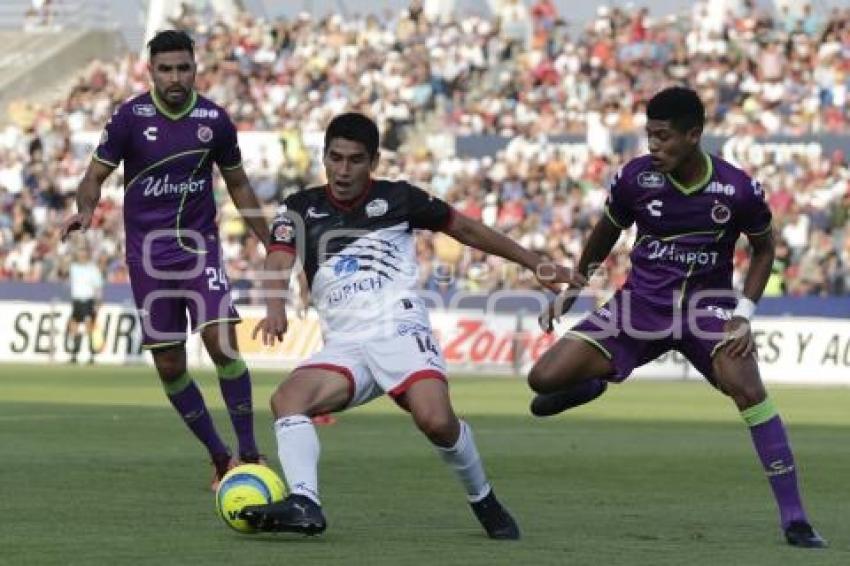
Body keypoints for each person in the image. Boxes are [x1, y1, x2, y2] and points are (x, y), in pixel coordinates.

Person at [239, 112, 583, 538]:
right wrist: (275, 305)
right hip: (345, 342)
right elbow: (278, 256)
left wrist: (536, 264)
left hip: (397, 327)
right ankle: (305, 502)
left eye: (355, 160)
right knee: (287, 399)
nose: (344, 170)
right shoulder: (298, 207)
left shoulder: (400, 198)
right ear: (324, 157)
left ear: (374, 161)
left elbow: (467, 229)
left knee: (436, 421)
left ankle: (484, 500)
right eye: (336, 158)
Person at [528, 87, 826, 549]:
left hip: (707, 312)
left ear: (693, 134)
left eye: (664, 137)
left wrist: (744, 315)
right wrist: (574, 289)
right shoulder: (634, 179)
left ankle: (795, 519)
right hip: (638, 306)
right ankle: (591, 384)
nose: (653, 146)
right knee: (542, 379)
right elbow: (605, 232)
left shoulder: (737, 188)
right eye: (649, 135)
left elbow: (765, 249)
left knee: (749, 389)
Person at [60, 30, 270, 490]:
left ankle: (251, 454)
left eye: (183, 68)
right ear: (150, 70)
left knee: (223, 345)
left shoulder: (214, 120)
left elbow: (239, 186)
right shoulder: (129, 118)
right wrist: (85, 208)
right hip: (148, 262)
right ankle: (220, 457)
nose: (175, 77)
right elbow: (93, 176)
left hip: (199, 252)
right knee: (171, 367)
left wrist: (270, 240)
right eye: (165, 69)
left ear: (196, 68)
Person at [66, 245, 104, 364]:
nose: (81, 255)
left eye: (83, 253)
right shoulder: (73, 267)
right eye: (79, 253)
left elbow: (98, 287)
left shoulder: (92, 269)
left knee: (89, 327)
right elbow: (63, 273)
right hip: (77, 300)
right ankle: (74, 354)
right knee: (74, 326)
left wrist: (98, 302)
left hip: (88, 300)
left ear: (87, 254)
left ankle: (92, 355)